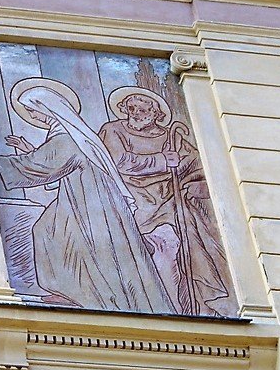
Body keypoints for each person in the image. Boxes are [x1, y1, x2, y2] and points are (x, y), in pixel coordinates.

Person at [0, 79, 175, 314]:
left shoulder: (67, 137)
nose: (35, 118)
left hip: (90, 203)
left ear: (48, 109)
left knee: (54, 231)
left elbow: (44, 164)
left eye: (35, 112)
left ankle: (78, 292)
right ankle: (72, 291)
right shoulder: (72, 134)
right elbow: (52, 162)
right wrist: (27, 150)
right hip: (82, 197)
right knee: (48, 228)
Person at [100, 87, 234, 316]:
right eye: (131, 108)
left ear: (156, 113)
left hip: (170, 201)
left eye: (143, 109)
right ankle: (164, 306)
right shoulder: (113, 130)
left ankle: (193, 306)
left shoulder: (172, 136)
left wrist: (196, 185)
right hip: (131, 200)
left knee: (186, 247)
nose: (136, 113)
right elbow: (119, 161)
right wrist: (162, 160)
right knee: (162, 247)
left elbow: (197, 165)